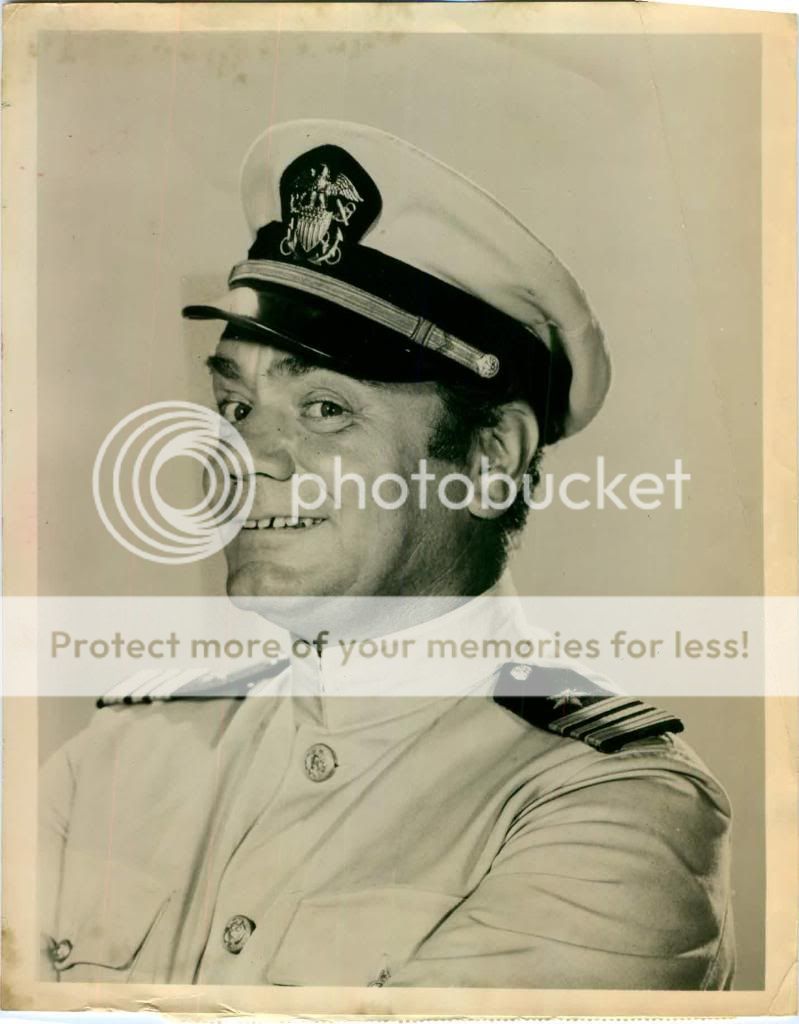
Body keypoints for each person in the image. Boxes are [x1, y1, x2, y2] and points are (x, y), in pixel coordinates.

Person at [39, 120, 734, 989]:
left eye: (325, 409)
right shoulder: (121, 752)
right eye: (236, 406)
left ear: (490, 459)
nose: (244, 456)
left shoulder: (610, 808)